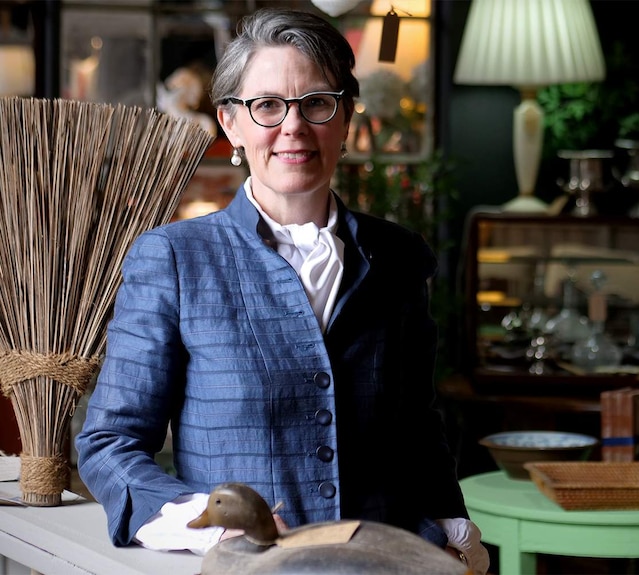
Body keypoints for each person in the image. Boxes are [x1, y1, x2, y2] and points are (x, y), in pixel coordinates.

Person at [75, 8, 489, 574]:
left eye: (316, 102)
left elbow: (418, 428)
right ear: (230, 123)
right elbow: (110, 444)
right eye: (266, 105)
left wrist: (457, 535)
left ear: (344, 116)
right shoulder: (173, 259)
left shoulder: (399, 257)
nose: (292, 127)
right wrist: (207, 521)